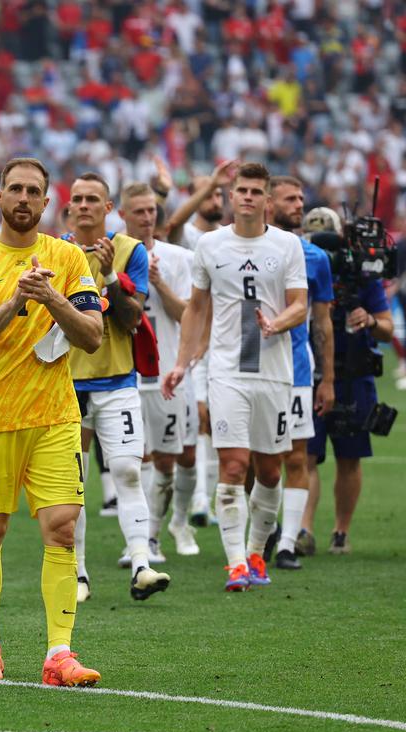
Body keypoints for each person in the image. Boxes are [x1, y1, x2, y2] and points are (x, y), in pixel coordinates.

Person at [0, 157, 104, 686]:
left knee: (61, 530)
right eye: (14, 188)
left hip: (56, 417)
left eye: (32, 191)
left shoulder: (68, 258)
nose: (22, 198)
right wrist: (16, 300)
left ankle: (59, 654)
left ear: (45, 201)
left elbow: (91, 336)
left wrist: (51, 296)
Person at [162, 162, 307, 592]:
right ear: (231, 196)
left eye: (254, 191)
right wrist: (182, 363)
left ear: (266, 199)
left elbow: (299, 303)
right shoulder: (210, 245)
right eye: (239, 190)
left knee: (269, 470)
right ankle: (236, 564)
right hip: (226, 372)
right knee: (233, 464)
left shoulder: (287, 246)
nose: (245, 196)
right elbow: (197, 308)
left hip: (274, 373)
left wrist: (276, 324)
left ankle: (259, 551)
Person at [64, 172, 171, 603]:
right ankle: (78, 574)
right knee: (74, 482)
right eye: (77, 199)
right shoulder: (55, 251)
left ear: (109, 209)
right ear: (67, 206)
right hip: (66, 382)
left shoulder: (130, 252)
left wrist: (110, 276)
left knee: (127, 470)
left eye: (93, 199)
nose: (84, 205)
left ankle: (142, 564)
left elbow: (131, 319)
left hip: (118, 381)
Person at [117, 183, 200, 557]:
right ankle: (141, 541)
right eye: (139, 211)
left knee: (171, 459)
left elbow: (187, 315)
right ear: (122, 215)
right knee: (134, 460)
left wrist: (158, 282)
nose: (148, 217)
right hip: (125, 374)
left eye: (152, 210)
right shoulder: (110, 255)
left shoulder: (178, 258)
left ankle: (169, 527)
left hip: (168, 371)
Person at [302, 229, 393, 556]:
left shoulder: (363, 279)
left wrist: (369, 320)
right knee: (306, 455)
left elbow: (387, 327)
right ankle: (304, 529)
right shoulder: (304, 270)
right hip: (312, 374)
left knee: (349, 457)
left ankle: (341, 531)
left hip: (354, 375)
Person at [167, 160, 239, 527]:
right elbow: (173, 223)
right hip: (188, 344)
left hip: (222, 344)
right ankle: (190, 501)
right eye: (207, 193)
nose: (214, 198)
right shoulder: (191, 239)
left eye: (217, 193)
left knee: (214, 423)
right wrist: (208, 181)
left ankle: (202, 502)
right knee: (196, 421)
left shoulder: (227, 238)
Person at [267, 176, 334, 569]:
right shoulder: (236, 247)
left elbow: (322, 323)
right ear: (268, 203)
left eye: (301, 199)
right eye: (291, 199)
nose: (300, 205)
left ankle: (288, 542)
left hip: (297, 370)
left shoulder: (315, 257)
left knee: (297, 457)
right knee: (250, 463)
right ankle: (264, 529)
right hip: (249, 370)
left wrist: (328, 379)